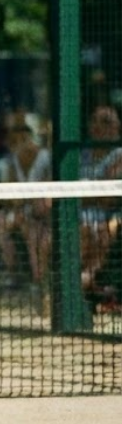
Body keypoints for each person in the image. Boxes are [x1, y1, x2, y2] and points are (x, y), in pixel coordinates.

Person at [0, 111, 51, 288]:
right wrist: (20, 207)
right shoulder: (11, 162)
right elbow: (10, 198)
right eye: (16, 131)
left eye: (24, 130)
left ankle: (39, 281)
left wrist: (30, 208)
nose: (20, 135)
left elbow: (46, 198)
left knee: (33, 233)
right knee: (1, 223)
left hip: (43, 215)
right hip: (21, 212)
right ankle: (13, 273)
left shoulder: (46, 158)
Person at [80, 104, 122, 310]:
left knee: (101, 230)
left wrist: (84, 194)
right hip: (77, 214)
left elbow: (107, 199)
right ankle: (79, 283)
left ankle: (85, 280)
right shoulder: (80, 153)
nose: (99, 127)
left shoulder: (120, 154)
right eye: (96, 122)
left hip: (109, 215)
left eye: (106, 122)